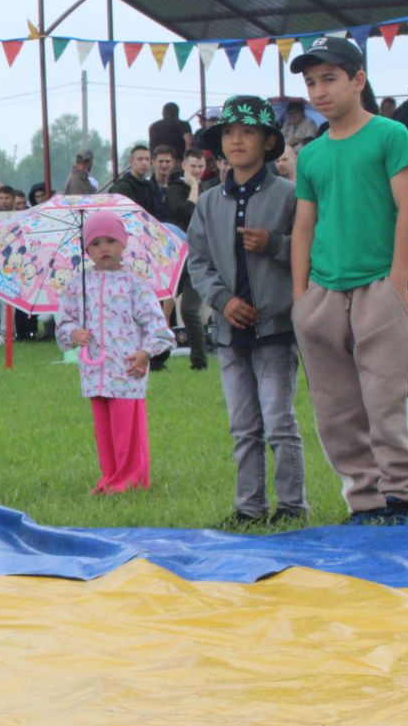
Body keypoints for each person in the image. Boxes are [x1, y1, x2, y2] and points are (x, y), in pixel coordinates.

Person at [287, 37, 408, 526]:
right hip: (323, 292)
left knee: (387, 398)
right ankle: (364, 501)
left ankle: (404, 496)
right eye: (310, 82)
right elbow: (304, 225)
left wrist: (396, 284)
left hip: (378, 285)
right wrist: (300, 297)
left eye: (329, 78)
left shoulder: (390, 136)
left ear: (358, 80)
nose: (319, 91)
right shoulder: (312, 154)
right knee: (335, 407)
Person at [185, 96, 306, 527]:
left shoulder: (290, 197)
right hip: (228, 332)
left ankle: (292, 506)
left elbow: (313, 251)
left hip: (276, 328)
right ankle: (248, 507)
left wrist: (274, 245)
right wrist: (222, 301)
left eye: (248, 132)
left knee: (279, 422)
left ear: (267, 141)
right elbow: (197, 261)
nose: (237, 140)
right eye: (229, 133)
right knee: (242, 426)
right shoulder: (209, 202)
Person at [56, 211, 173, 493]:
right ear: (86, 250)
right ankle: (110, 476)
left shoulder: (135, 283)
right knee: (105, 430)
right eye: (95, 244)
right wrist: (74, 333)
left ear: (123, 244)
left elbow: (157, 325)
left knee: (127, 428)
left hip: (126, 367)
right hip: (94, 369)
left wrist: (146, 353)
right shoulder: (78, 285)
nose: (103, 248)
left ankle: (131, 479)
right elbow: (65, 321)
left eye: (110, 241)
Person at [153, 143, 208, 371]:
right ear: (183, 165)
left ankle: (199, 361)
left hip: (198, 258)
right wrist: (193, 185)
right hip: (174, 258)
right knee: (157, 309)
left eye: (201, 167)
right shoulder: (176, 188)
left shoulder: (209, 190)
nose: (196, 171)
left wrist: (197, 186)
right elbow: (187, 211)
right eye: (193, 166)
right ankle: (157, 359)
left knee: (188, 310)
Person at [107, 144, 162, 218]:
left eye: (147, 159)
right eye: (140, 159)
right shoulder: (122, 186)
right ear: (131, 162)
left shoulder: (150, 185)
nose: (144, 163)